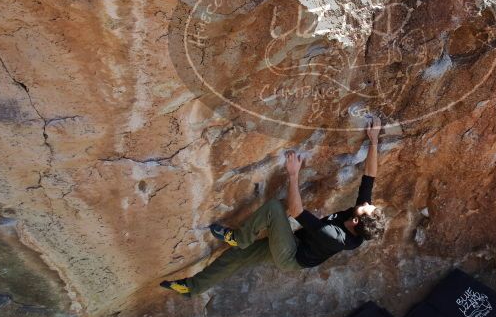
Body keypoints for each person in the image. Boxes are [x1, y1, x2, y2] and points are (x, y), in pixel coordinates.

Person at [161, 117, 386, 296]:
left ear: (356, 221)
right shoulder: (360, 220)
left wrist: (293, 174)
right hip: (297, 241)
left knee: (275, 209)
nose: (366, 203)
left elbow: (296, 211)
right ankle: (192, 287)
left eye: (366, 207)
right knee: (237, 256)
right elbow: (369, 176)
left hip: (291, 256)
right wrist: (374, 141)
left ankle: (239, 237)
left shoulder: (336, 236)